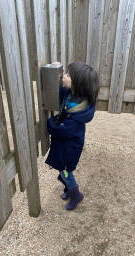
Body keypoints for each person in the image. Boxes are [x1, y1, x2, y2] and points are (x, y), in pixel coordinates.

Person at [45, 61, 99, 210]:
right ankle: (70, 190)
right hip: (65, 147)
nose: (65, 76)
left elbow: (60, 130)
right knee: (63, 171)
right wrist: (59, 72)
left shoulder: (77, 114)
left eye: (68, 75)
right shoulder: (74, 95)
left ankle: (76, 195)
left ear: (78, 84)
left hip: (69, 150)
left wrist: (50, 122)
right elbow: (62, 92)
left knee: (66, 173)